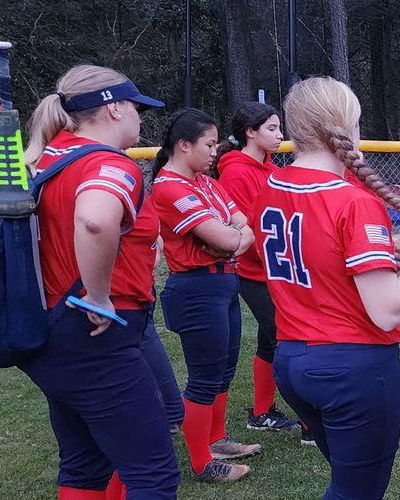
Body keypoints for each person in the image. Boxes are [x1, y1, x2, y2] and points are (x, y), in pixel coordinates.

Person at [255, 76, 400, 499]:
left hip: (292, 357)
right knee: (358, 491)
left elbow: (325, 256)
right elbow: (388, 310)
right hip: (351, 365)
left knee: (347, 482)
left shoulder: (271, 185)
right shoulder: (354, 201)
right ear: (347, 128)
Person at [18, 64, 180, 499]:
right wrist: (99, 295)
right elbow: (94, 220)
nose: (139, 119)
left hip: (52, 328)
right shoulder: (108, 162)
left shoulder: (52, 152)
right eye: (135, 107)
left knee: (84, 465)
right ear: (112, 109)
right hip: (94, 336)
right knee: (153, 474)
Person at [151, 108, 262, 482]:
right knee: (203, 377)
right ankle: (202, 462)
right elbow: (228, 236)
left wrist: (231, 242)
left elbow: (243, 230)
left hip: (222, 282)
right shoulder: (170, 186)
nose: (215, 151)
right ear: (183, 145)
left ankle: (217, 439)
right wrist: (230, 240)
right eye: (208, 144)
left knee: (223, 372)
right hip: (197, 288)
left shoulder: (206, 182)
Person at [213, 102, 303, 436]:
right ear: (250, 132)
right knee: (287, 340)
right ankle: (309, 420)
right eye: (271, 129)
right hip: (254, 272)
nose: (280, 135)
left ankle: (262, 412)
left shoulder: (271, 169)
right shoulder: (236, 171)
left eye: (280, 128)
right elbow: (248, 229)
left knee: (270, 341)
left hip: (278, 269)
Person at [127, 198, 185, 433]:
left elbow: (156, 244)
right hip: (120, 294)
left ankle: (170, 411)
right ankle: (168, 412)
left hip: (138, 287)